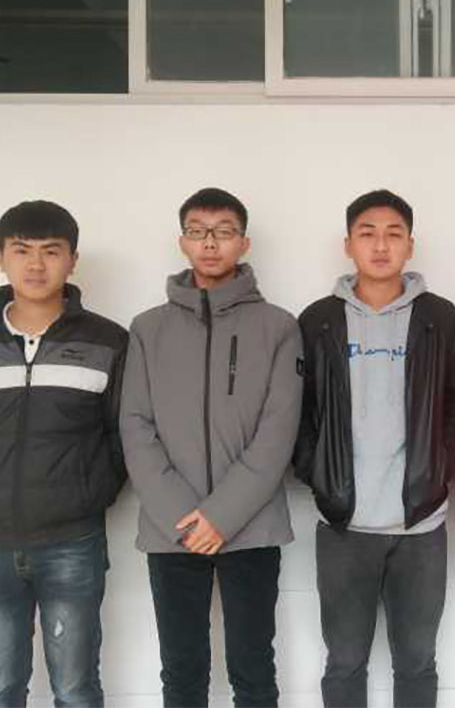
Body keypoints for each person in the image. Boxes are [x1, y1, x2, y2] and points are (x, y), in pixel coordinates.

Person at [121, 187, 302, 708]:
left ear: (243, 242)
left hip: (252, 527)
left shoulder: (278, 326)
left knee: (253, 669)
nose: (210, 243)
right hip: (171, 530)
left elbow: (279, 430)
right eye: (198, 231)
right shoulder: (147, 329)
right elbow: (135, 424)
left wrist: (221, 516)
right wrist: (184, 518)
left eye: (223, 232)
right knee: (181, 672)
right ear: (182, 241)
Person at [0, 200, 128, 707]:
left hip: (73, 542)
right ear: (0, 258)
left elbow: (120, 434)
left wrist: (90, 493)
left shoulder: (108, 341)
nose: (36, 264)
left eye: (51, 251)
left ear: (72, 260)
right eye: (21, 250)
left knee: (75, 689)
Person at [294, 189, 455, 708]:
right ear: (348, 244)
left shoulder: (439, 317)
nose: (380, 245)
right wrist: (318, 475)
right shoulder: (318, 319)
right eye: (367, 233)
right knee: (344, 662)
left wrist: (439, 471)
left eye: (394, 234)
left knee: (416, 662)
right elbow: (298, 410)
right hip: (344, 526)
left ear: (410, 246)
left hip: (421, 524)